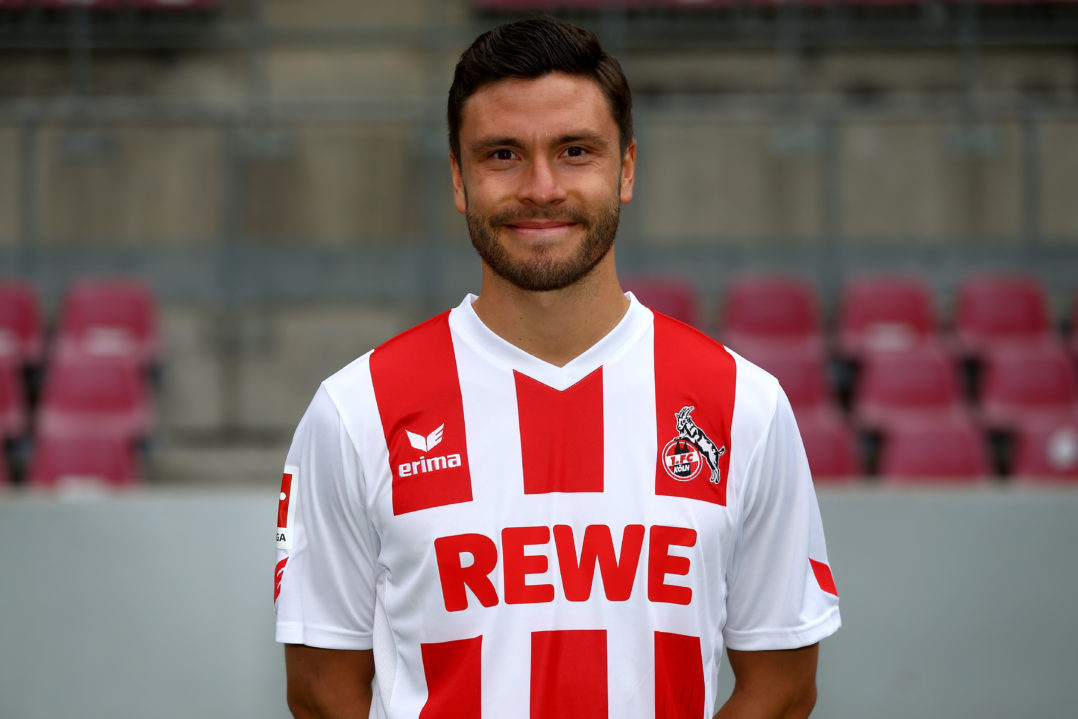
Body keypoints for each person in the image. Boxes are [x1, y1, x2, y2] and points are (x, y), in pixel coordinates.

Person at [274, 16, 840, 719]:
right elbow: (322, 692)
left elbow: (782, 688)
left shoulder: (742, 405)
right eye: (503, 155)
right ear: (458, 177)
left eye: (575, 151)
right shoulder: (355, 412)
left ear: (627, 168)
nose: (541, 187)